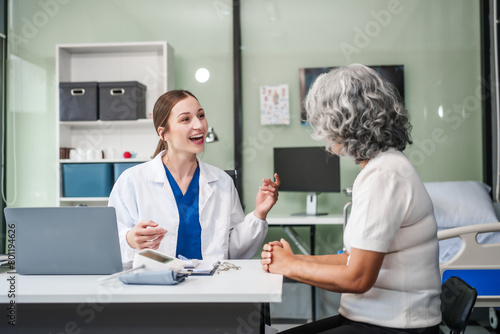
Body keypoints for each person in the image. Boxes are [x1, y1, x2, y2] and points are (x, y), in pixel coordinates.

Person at [261, 64, 442, 334]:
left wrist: (289, 266)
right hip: (374, 318)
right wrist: (295, 260)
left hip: (397, 325)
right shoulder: (383, 166)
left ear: (342, 121)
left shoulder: (384, 174)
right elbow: (351, 258)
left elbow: (357, 277)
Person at [109, 89, 280, 264]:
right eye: (185, 119)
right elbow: (109, 244)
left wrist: (259, 213)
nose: (199, 125)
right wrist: (130, 240)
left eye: (201, 115)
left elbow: (232, 250)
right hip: (157, 284)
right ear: (163, 133)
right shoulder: (132, 180)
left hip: (211, 284)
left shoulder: (221, 182)